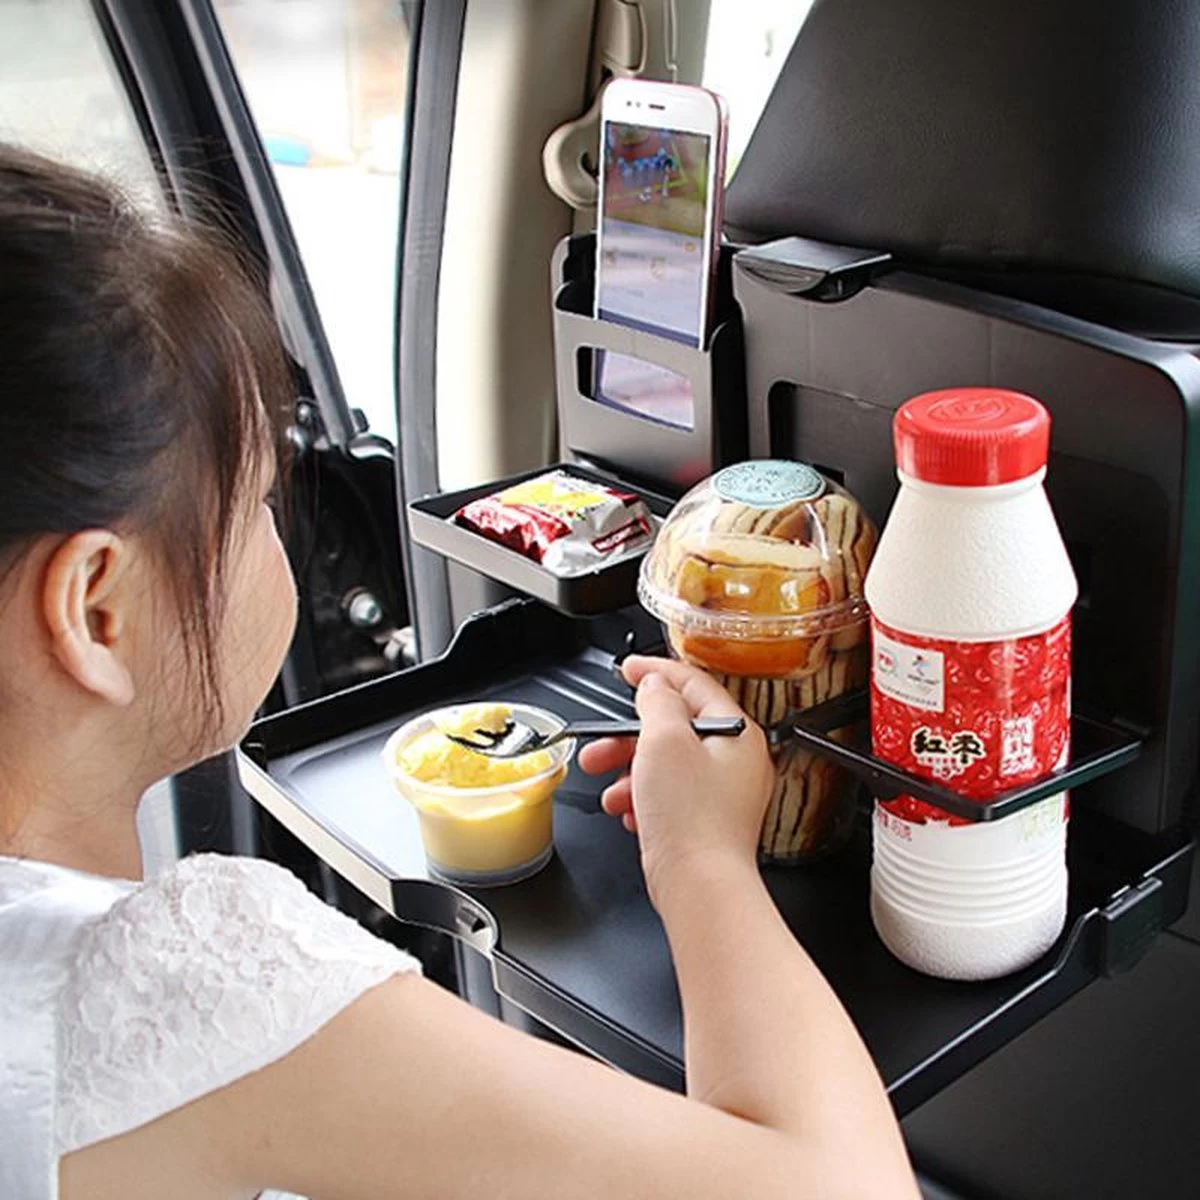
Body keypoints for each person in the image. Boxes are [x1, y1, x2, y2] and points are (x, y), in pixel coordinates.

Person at [0, 144, 919, 1200]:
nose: (277, 536)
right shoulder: (170, 983)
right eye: (253, 504)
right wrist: (700, 856)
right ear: (97, 611)